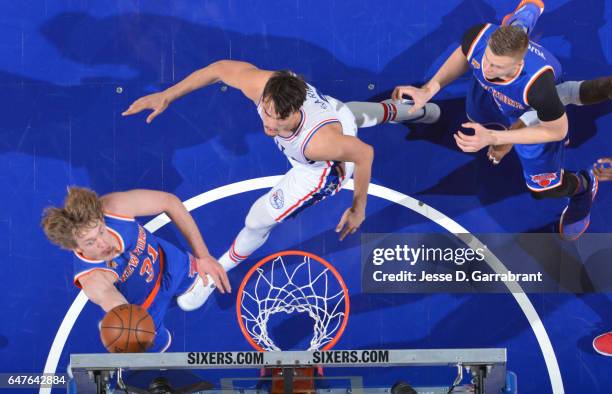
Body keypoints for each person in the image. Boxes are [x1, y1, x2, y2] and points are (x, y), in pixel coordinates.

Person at [122, 60, 440, 298]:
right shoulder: (265, 86)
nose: (269, 126)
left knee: (257, 219)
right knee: (352, 112)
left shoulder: (319, 143)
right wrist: (168, 94)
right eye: (267, 113)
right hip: (334, 112)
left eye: (279, 121)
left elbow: (364, 154)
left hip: (320, 170)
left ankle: (216, 273)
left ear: (296, 110)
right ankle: (418, 112)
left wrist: (358, 208)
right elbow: (219, 69)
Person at [391, 1, 599, 241]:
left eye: (496, 65)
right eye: (488, 59)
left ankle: (585, 185)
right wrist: (428, 90)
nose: (486, 68)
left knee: (544, 189)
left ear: (518, 65)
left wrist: (498, 138)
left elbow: (557, 130)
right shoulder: (480, 38)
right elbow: (465, 54)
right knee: (476, 114)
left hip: (534, 113)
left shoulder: (540, 88)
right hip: (493, 95)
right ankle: (522, 18)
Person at [41, 187, 230, 352]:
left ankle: (188, 284)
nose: (103, 242)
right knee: (149, 347)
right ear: (76, 248)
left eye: (100, 230)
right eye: (91, 242)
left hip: (170, 263)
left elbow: (169, 201)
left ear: (100, 218)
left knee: (201, 284)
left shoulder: (114, 208)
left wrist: (203, 256)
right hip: (146, 309)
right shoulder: (94, 279)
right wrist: (123, 323)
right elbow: (112, 300)